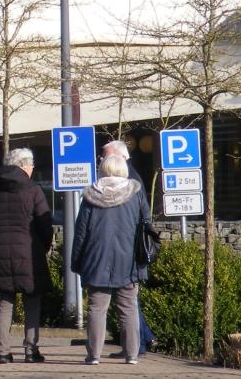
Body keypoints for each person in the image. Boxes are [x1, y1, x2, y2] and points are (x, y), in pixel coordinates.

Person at [72, 154, 150, 366]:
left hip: (97, 259)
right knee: (129, 307)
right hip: (129, 260)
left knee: (97, 309)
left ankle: (94, 355)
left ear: (102, 169)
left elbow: (81, 233)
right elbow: (146, 226)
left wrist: (76, 261)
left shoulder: (91, 196)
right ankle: (132, 354)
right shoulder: (136, 194)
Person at [0, 148, 53, 364]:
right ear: (24, 165)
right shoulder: (33, 190)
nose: (32, 169)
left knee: (5, 302)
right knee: (32, 301)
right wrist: (43, 245)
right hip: (29, 253)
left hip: (3, 251)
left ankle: (3, 352)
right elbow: (45, 224)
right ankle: (31, 351)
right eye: (31, 165)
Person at [101, 140, 158, 357]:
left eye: (106, 156)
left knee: (128, 300)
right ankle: (143, 339)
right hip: (129, 250)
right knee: (129, 300)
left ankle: (140, 344)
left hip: (130, 250)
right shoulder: (130, 178)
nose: (102, 160)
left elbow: (141, 216)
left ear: (120, 158)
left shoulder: (129, 181)